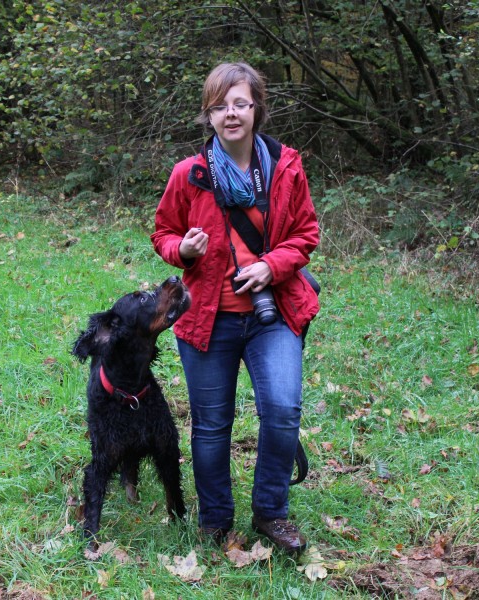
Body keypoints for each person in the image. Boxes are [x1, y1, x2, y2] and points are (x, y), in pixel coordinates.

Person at [151, 62, 319, 555]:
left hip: (273, 313)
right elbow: (163, 233)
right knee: (210, 425)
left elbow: (306, 234)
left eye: (240, 104)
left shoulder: (285, 166)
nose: (231, 114)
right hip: (208, 318)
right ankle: (215, 521)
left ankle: (270, 512)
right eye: (220, 106)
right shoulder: (190, 174)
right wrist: (183, 250)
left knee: (283, 410)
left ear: (256, 110)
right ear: (208, 115)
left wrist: (272, 266)